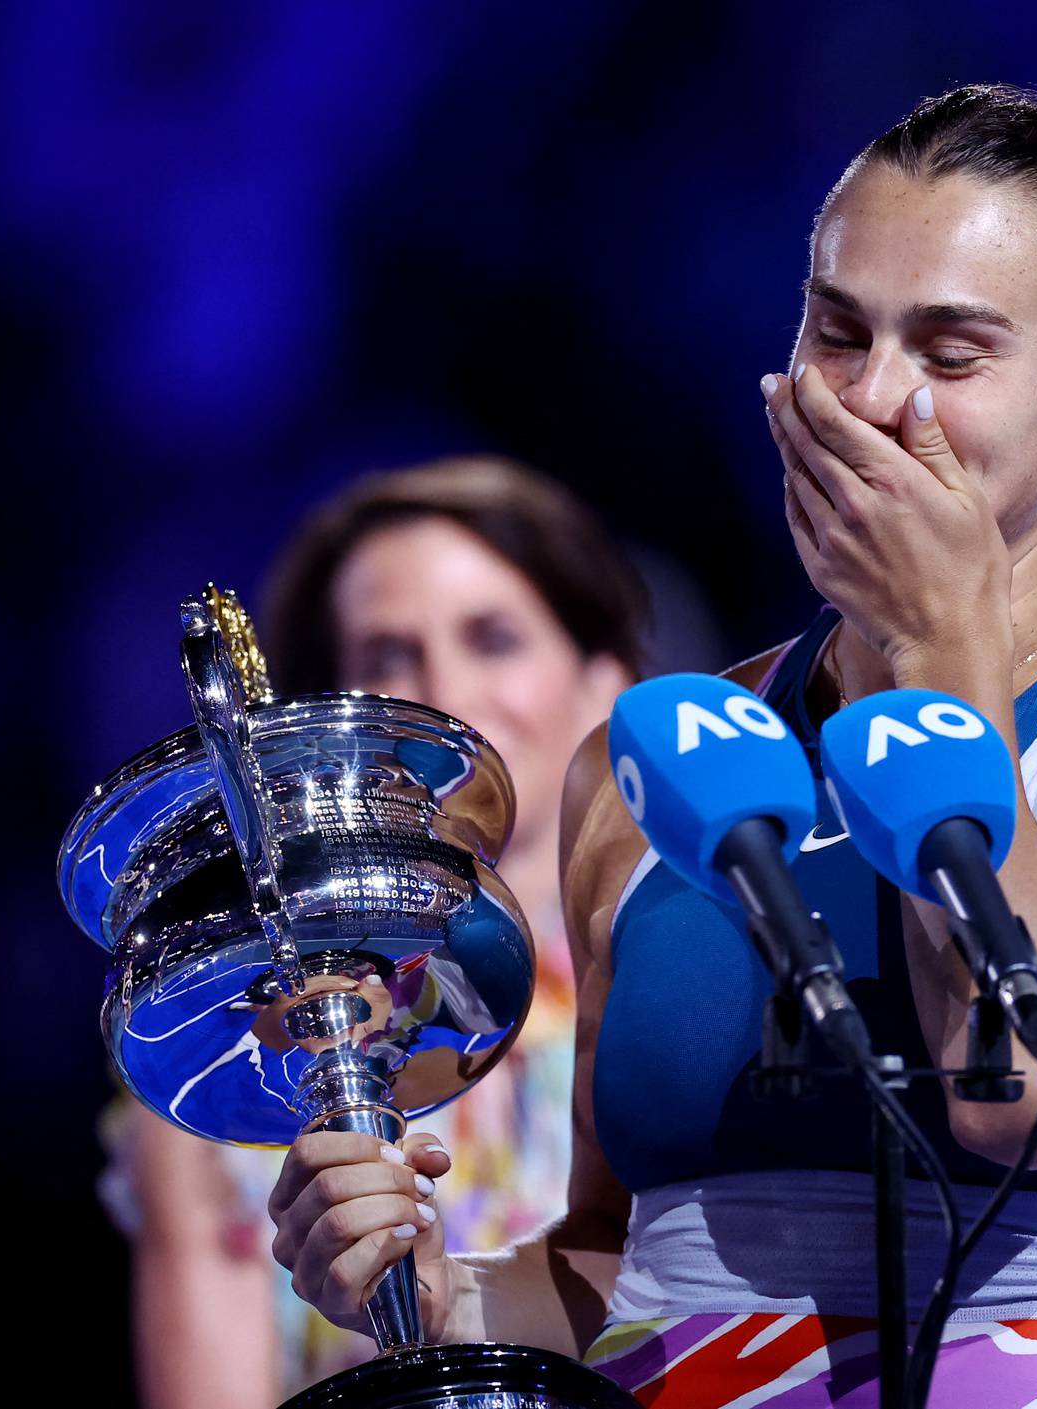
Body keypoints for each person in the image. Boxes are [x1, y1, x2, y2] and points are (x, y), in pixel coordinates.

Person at [268, 84, 1037, 1406]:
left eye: (953, 356)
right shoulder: (659, 762)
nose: (871, 400)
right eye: (837, 333)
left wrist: (938, 656)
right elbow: (620, 1272)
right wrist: (431, 1284)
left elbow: (1018, 1083)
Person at [111, 456, 646, 1407]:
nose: (443, 687)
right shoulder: (232, 1070)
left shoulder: (681, 1000)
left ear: (605, 682)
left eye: (495, 638)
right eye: (387, 658)